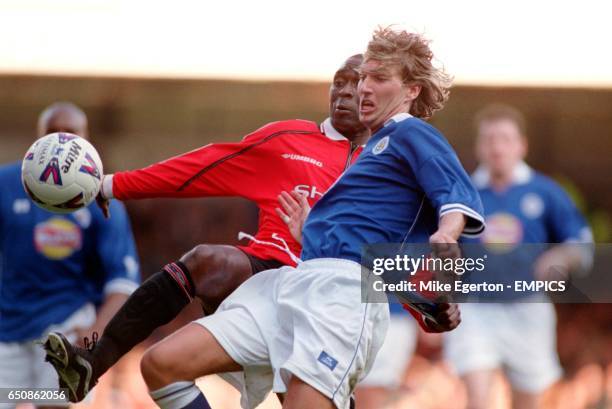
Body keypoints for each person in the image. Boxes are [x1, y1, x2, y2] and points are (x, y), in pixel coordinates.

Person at [125, 27, 484, 409]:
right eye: (364, 77)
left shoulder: (410, 133)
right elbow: (375, 241)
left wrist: (448, 231)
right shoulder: (373, 156)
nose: (363, 88)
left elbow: (454, 192)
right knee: (163, 365)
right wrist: (310, 232)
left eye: (379, 78)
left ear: (411, 90)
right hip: (295, 282)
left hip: (342, 299)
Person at [45, 54, 371, 402]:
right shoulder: (288, 140)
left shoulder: (390, 162)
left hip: (330, 300)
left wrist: (431, 309)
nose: (344, 92)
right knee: (205, 264)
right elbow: (200, 168)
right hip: (265, 275)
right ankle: (93, 363)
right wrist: (112, 185)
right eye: (339, 82)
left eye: (356, 84)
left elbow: (415, 245)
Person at [444, 104, 593, 409]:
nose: (497, 147)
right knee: (478, 397)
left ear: (521, 145)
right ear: (479, 146)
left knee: (528, 401)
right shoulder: (464, 192)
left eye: (505, 139)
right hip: (475, 309)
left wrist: (563, 257)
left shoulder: (546, 191)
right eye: (490, 139)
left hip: (527, 308)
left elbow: (581, 240)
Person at [0, 102, 139, 409]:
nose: (61, 140)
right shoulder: (4, 185)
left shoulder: (104, 201)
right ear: (38, 138)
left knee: (54, 403)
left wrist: (93, 334)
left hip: (66, 327)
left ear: (86, 139)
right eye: (52, 132)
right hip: (6, 330)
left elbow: (122, 284)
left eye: (71, 132)